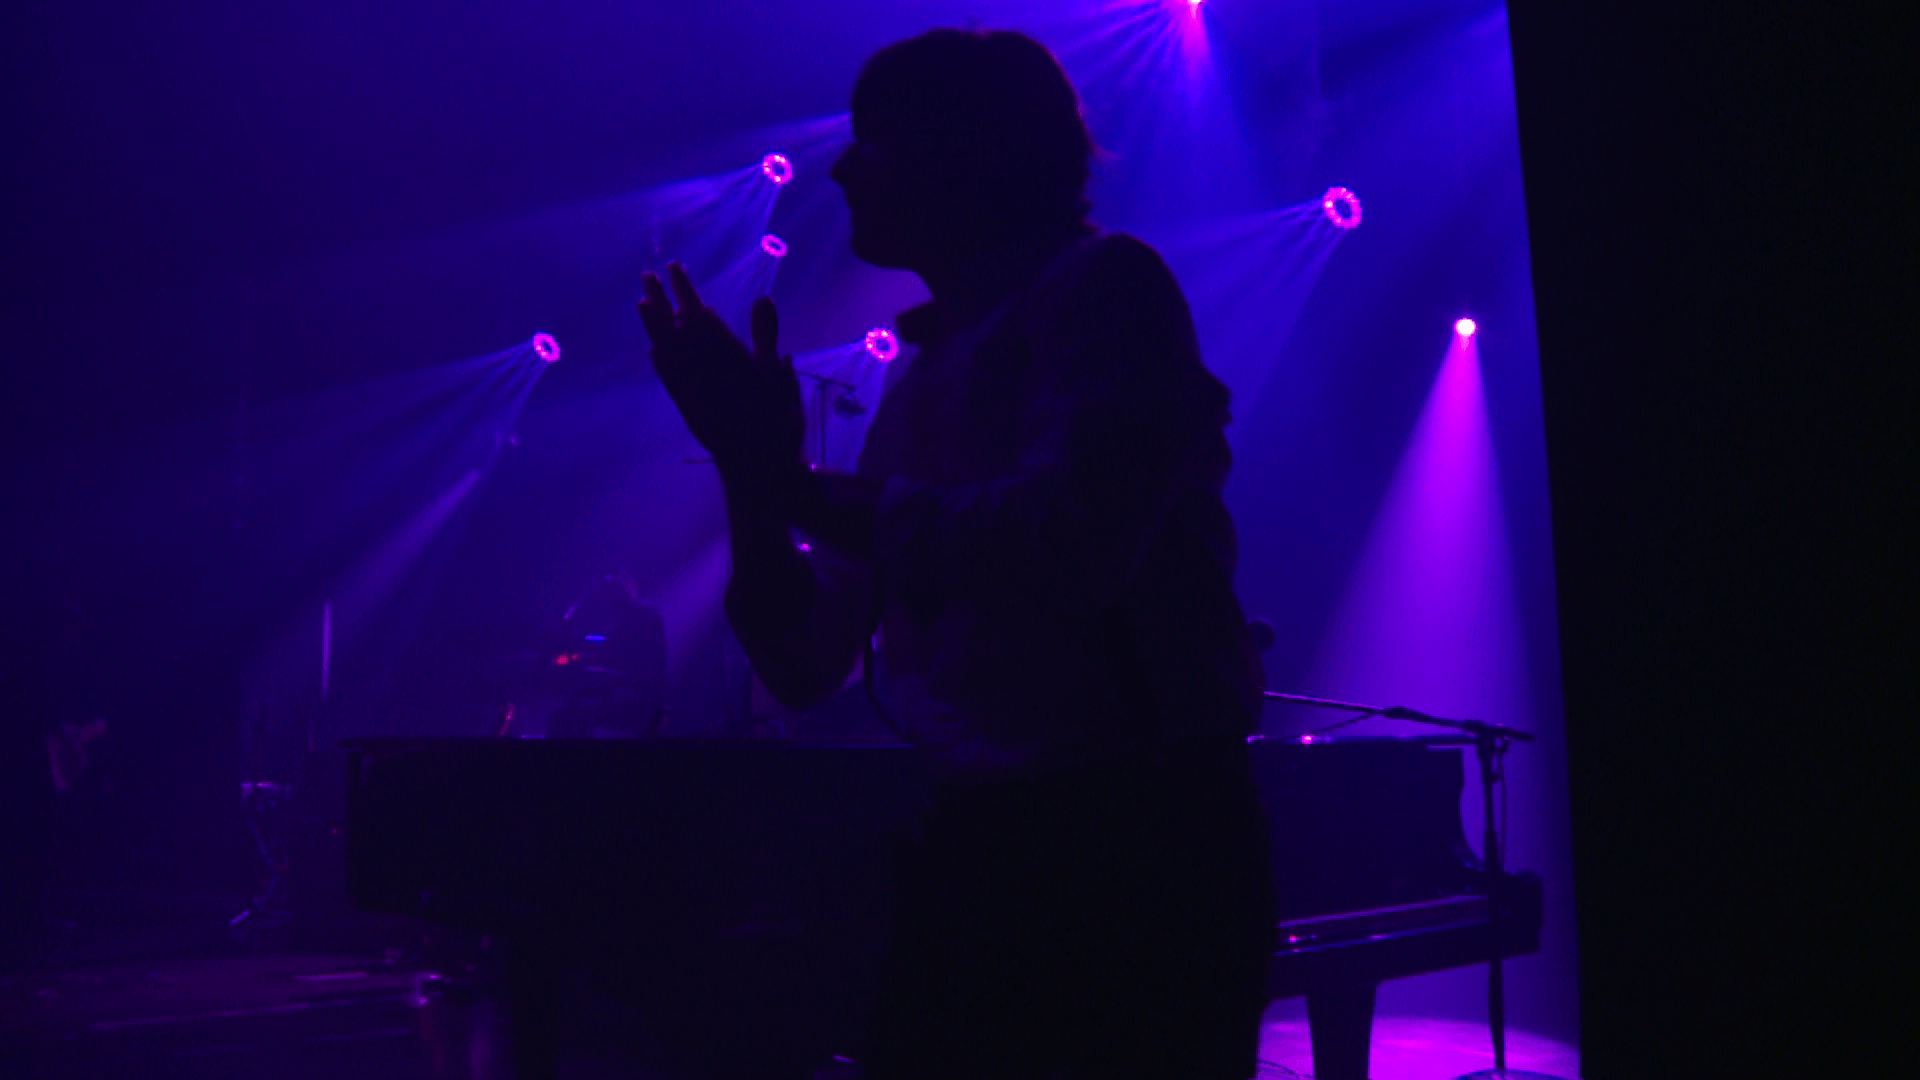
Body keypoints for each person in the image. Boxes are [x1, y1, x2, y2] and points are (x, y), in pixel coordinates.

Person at [638, 28, 1275, 1080]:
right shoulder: (922, 381)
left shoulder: (1106, 288)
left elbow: (1067, 543)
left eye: (875, 138)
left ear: (971, 152)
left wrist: (785, 481)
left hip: (1137, 845)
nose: (843, 169)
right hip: (994, 841)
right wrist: (750, 473)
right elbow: (804, 662)